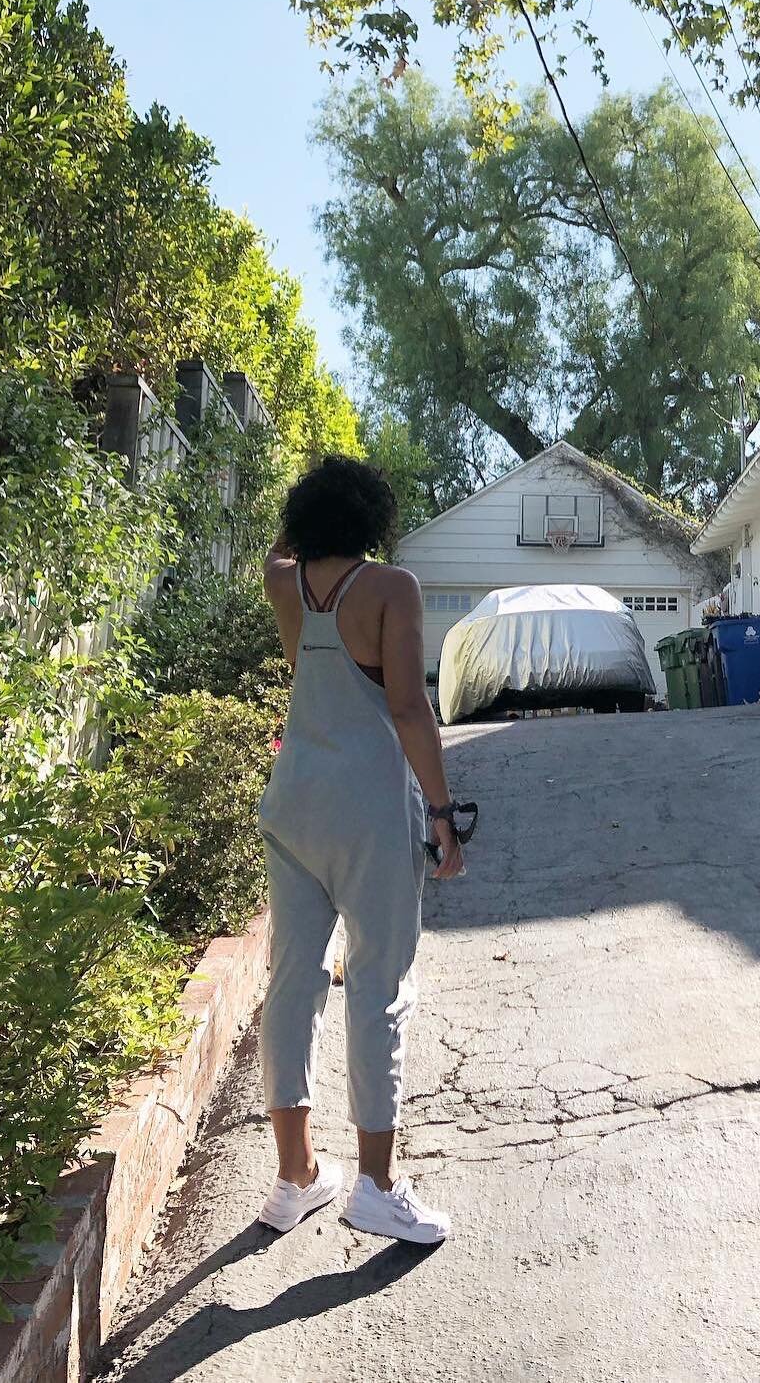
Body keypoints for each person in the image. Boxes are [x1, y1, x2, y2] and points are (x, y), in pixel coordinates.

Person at [256, 455, 466, 1243]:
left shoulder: (286, 582)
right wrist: (441, 813)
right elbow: (410, 708)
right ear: (373, 516)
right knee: (378, 985)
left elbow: (277, 550)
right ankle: (376, 1185)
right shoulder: (391, 589)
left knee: (291, 984)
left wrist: (300, 528)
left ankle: (296, 1174)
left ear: (307, 518)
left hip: (294, 809)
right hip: (372, 816)